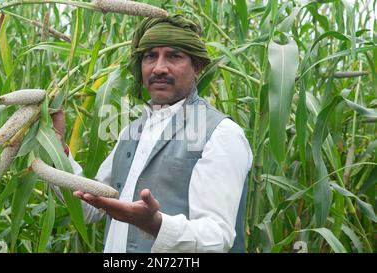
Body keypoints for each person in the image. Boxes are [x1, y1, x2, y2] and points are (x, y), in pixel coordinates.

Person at [52, 15, 252, 253]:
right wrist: (56, 148)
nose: (159, 68)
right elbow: (91, 208)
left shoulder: (220, 133)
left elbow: (217, 236)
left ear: (197, 66)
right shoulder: (131, 131)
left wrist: (156, 224)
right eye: (150, 56)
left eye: (174, 56)